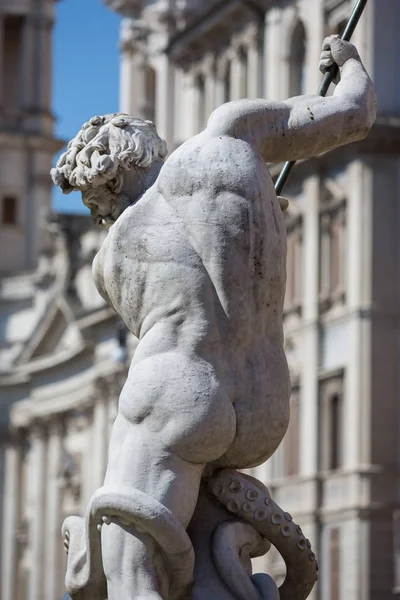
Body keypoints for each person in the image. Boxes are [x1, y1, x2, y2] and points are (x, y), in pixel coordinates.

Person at [52, 36, 376, 600]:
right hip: (263, 405)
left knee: (130, 563)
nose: (98, 216)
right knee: (209, 565)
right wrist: (346, 63)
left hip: (179, 390)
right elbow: (355, 111)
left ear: (103, 186)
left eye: (92, 204)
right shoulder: (231, 135)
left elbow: (176, 306)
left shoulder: (110, 258)